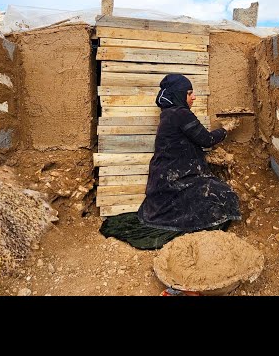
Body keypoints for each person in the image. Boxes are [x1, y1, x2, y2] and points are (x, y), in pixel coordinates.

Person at [100, 73, 242, 249]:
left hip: (166, 177)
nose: (194, 97)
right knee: (224, 194)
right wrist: (226, 129)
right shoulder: (181, 114)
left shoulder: (169, 114)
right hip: (174, 180)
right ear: (179, 94)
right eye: (190, 93)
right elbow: (206, 140)